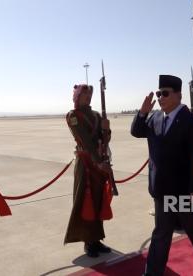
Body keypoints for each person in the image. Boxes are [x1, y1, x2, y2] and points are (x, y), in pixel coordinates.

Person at [131, 75, 193, 276]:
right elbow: (136, 131)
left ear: (179, 95)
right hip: (161, 189)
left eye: (165, 93)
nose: (160, 97)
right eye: (159, 94)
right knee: (161, 234)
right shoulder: (155, 117)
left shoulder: (191, 121)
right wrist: (142, 112)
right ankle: (153, 273)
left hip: (183, 190)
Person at [64, 84, 113, 258]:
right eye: (84, 94)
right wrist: (98, 162)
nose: (88, 97)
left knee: (99, 200)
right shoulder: (73, 116)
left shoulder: (97, 115)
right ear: (77, 97)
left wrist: (107, 129)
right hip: (86, 163)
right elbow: (84, 139)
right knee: (86, 200)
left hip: (98, 164)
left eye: (89, 94)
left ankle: (97, 239)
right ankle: (87, 241)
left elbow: (104, 140)